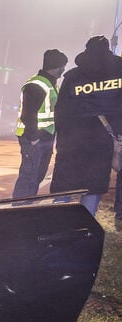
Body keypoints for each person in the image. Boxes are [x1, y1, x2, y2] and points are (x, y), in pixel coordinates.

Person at [51, 36, 122, 218]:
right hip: (102, 141)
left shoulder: (73, 76)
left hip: (73, 141)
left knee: (63, 188)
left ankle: (58, 225)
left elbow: (61, 110)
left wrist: (62, 138)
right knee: (92, 187)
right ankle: (86, 227)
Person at [12, 49, 68, 200]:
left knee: (36, 177)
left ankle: (26, 209)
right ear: (57, 66)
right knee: (28, 177)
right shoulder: (36, 85)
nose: (64, 70)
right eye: (63, 66)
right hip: (35, 139)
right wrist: (34, 137)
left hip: (46, 138)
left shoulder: (51, 84)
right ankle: (17, 212)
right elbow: (28, 114)